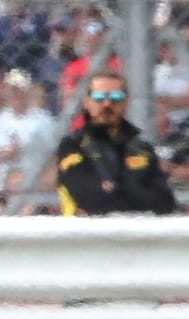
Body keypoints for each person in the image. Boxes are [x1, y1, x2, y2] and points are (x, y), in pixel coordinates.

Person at [54, 72, 177, 216]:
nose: (107, 104)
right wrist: (135, 185)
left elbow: (165, 203)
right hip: (85, 234)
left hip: (136, 233)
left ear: (126, 101)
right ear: (87, 102)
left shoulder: (142, 148)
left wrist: (111, 186)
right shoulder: (72, 145)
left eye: (115, 97)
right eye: (99, 98)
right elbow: (87, 198)